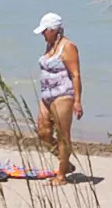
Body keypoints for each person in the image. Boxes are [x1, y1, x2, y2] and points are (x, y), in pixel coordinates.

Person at [34, 12, 83, 181]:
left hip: (63, 94)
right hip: (46, 94)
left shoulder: (67, 46)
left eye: (45, 30)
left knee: (63, 134)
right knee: (43, 132)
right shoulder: (50, 45)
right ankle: (66, 163)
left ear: (54, 30)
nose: (42, 34)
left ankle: (61, 175)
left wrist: (77, 100)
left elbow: (75, 74)